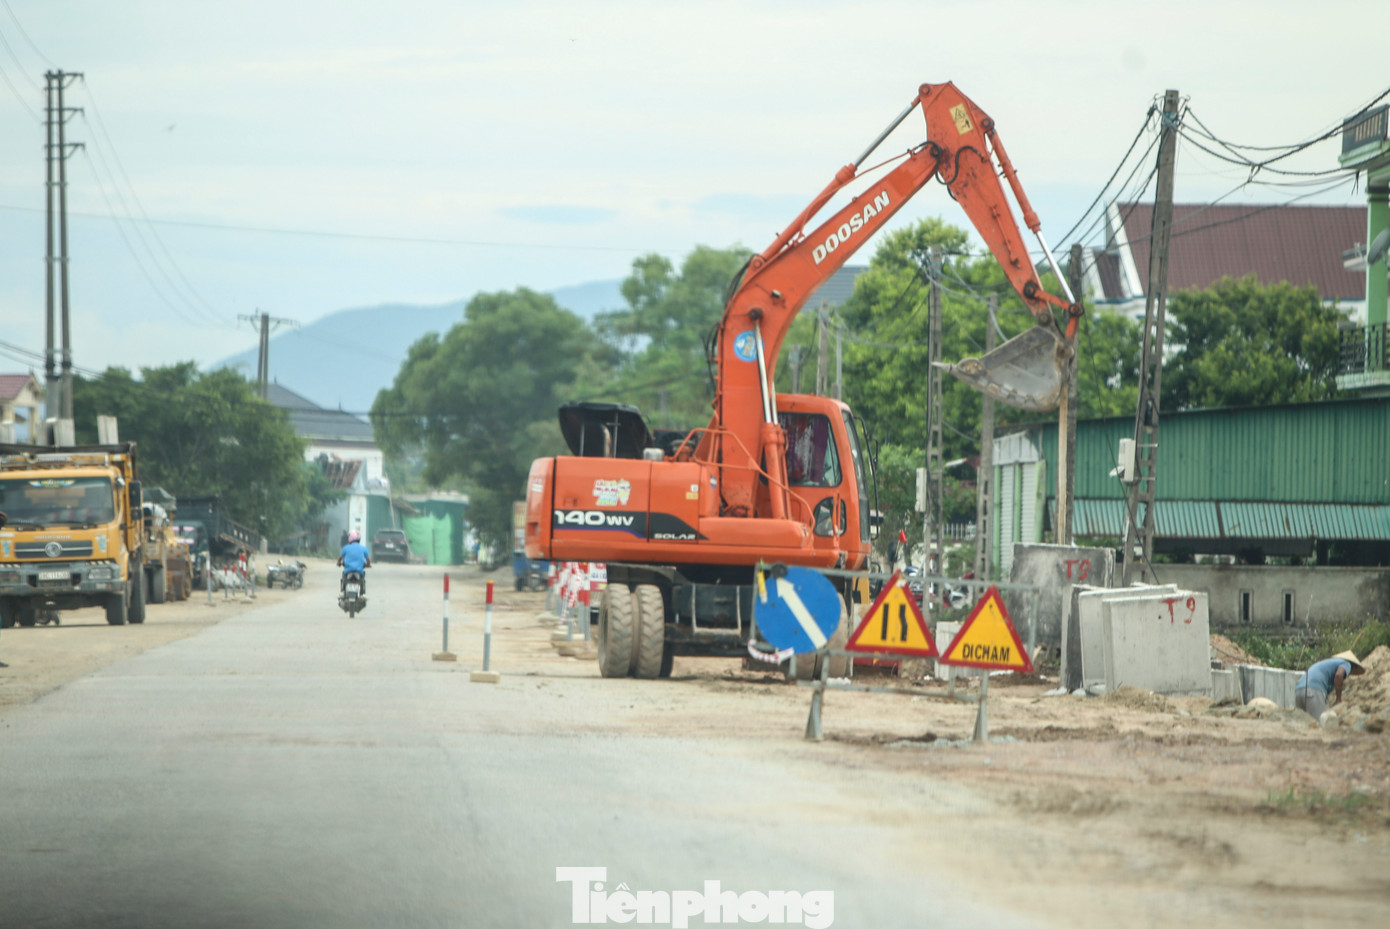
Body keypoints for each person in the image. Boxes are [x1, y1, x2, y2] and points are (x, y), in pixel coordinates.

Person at [1295, 650, 1366, 720]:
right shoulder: (1346, 664)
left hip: (1298, 690)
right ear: (1354, 667)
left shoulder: (1327, 663)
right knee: (1322, 722)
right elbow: (1338, 676)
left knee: (1301, 725)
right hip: (1314, 690)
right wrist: (1338, 699)